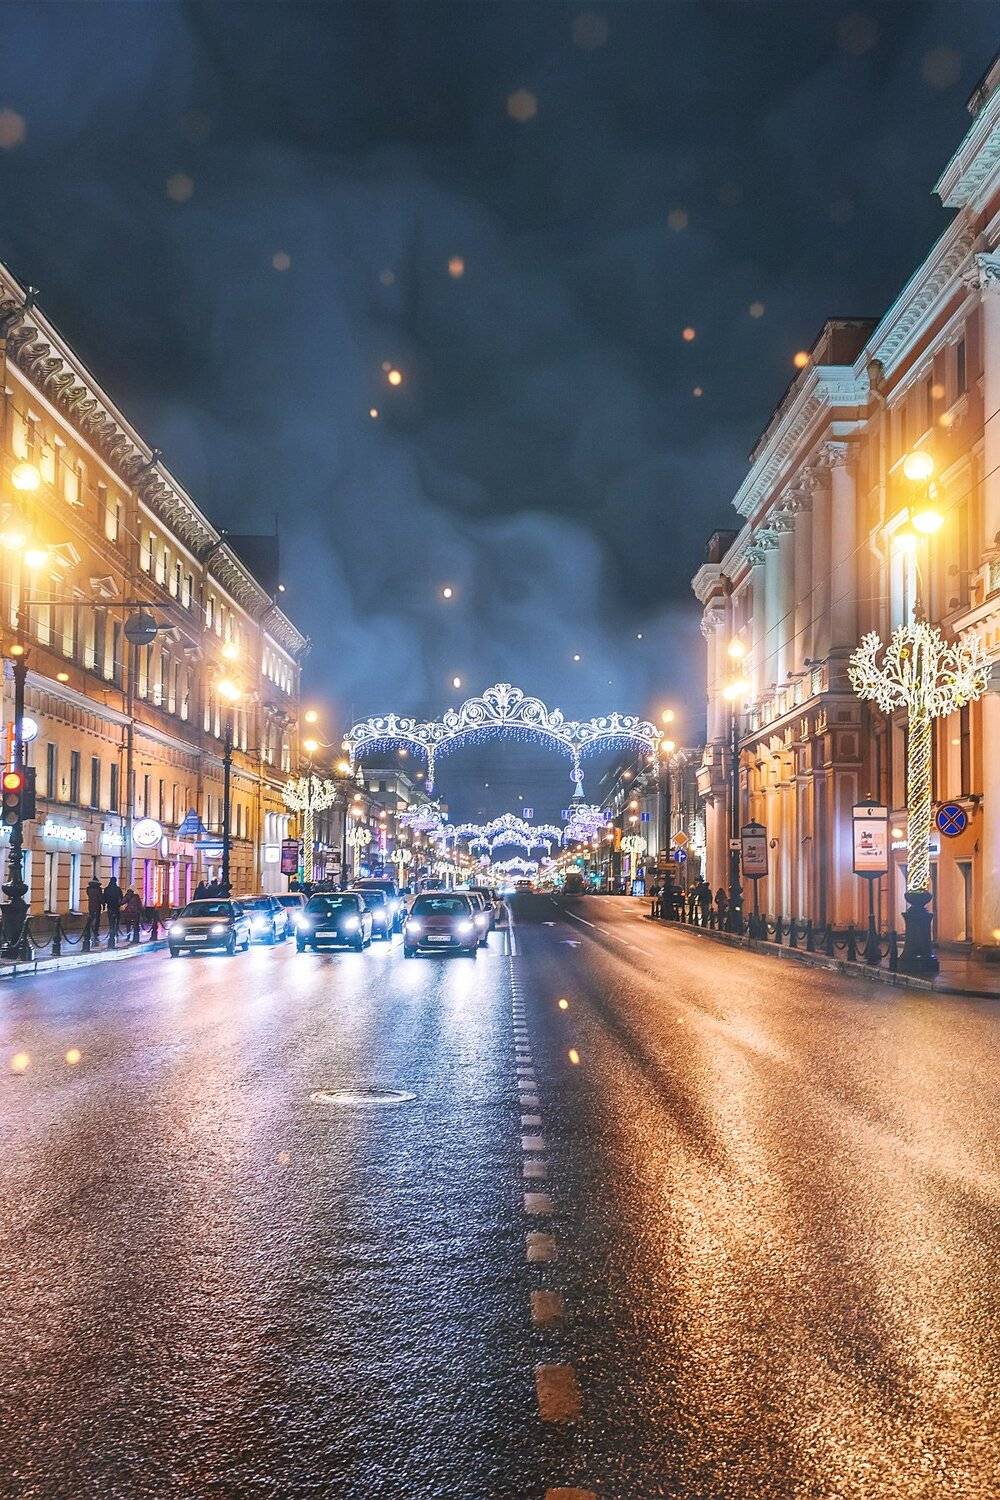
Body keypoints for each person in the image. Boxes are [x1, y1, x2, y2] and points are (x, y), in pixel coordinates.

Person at [103, 875, 123, 939]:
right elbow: (121, 897)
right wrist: (120, 904)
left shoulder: (107, 889)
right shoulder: (118, 889)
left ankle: (111, 930)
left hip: (110, 906)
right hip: (116, 907)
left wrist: (106, 903)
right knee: (117, 919)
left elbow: (104, 898)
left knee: (110, 920)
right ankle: (116, 930)